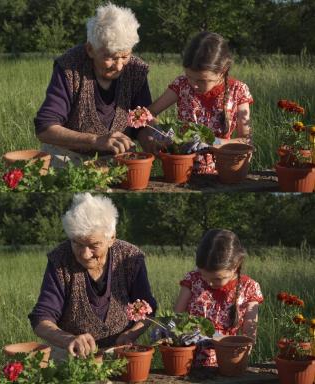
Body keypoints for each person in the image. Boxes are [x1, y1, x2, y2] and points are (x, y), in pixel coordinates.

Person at [28, 193, 157, 360]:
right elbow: (41, 318)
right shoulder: (59, 259)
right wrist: (68, 339)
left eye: (94, 245)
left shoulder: (130, 258)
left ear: (111, 238)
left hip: (121, 353)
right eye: (77, 244)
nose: (85, 254)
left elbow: (147, 309)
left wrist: (131, 334)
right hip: (72, 356)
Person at [34, 3, 154, 167]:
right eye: (110, 57)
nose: (119, 66)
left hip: (118, 161)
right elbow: (45, 128)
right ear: (90, 49)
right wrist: (95, 140)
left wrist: (152, 139)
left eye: (125, 56)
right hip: (69, 158)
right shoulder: (69, 67)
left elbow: (142, 121)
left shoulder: (136, 70)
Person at [148, 31, 253, 174]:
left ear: (222, 71)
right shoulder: (181, 85)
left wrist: (213, 142)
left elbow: (246, 141)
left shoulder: (238, 90)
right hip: (181, 169)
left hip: (222, 173)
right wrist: (164, 134)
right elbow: (148, 113)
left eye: (202, 80)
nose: (194, 85)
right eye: (189, 77)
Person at [174, 229, 263, 367]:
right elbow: (176, 317)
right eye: (204, 276)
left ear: (236, 266)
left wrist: (216, 338)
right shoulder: (193, 279)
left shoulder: (249, 288)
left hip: (227, 362)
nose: (209, 283)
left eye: (217, 279)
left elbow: (249, 337)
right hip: (188, 362)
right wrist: (173, 330)